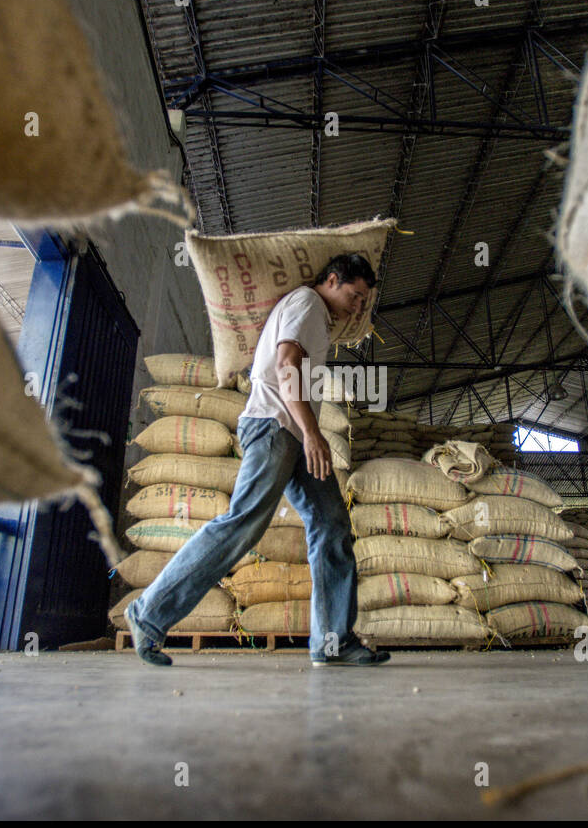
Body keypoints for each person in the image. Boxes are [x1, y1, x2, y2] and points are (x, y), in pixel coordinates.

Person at [124, 253, 391, 669]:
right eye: (355, 296)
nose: (358, 306)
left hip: (291, 432)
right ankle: (147, 615)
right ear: (333, 280)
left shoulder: (317, 317)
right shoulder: (306, 304)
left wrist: (306, 434)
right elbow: (286, 366)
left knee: (332, 524)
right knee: (242, 523)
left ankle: (333, 642)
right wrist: (312, 434)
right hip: (274, 428)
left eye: (363, 301)